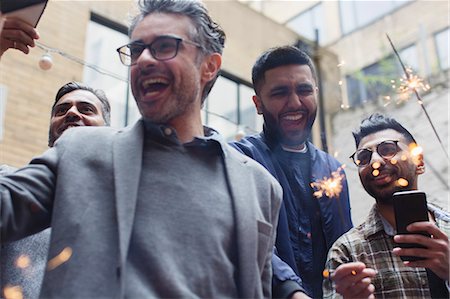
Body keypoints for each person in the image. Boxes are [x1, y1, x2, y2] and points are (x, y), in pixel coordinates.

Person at [0, 0, 282, 298]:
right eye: (136, 50)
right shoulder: (80, 151)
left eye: (163, 46)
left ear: (209, 66)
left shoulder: (261, 188)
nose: (144, 59)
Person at [231, 45, 353, 298]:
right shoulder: (238, 159)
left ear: (316, 94)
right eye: (280, 93)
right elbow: (244, 241)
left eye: (304, 90)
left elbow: (346, 247)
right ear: (258, 103)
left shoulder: (333, 169)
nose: (295, 103)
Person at [0, 81, 111, 299]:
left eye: (86, 109)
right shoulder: (7, 182)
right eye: (61, 110)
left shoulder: (121, 207)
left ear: (108, 131)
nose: (71, 112)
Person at [323, 113, 449, 299]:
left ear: (419, 160)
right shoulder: (348, 252)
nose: (375, 162)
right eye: (363, 157)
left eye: (388, 149)